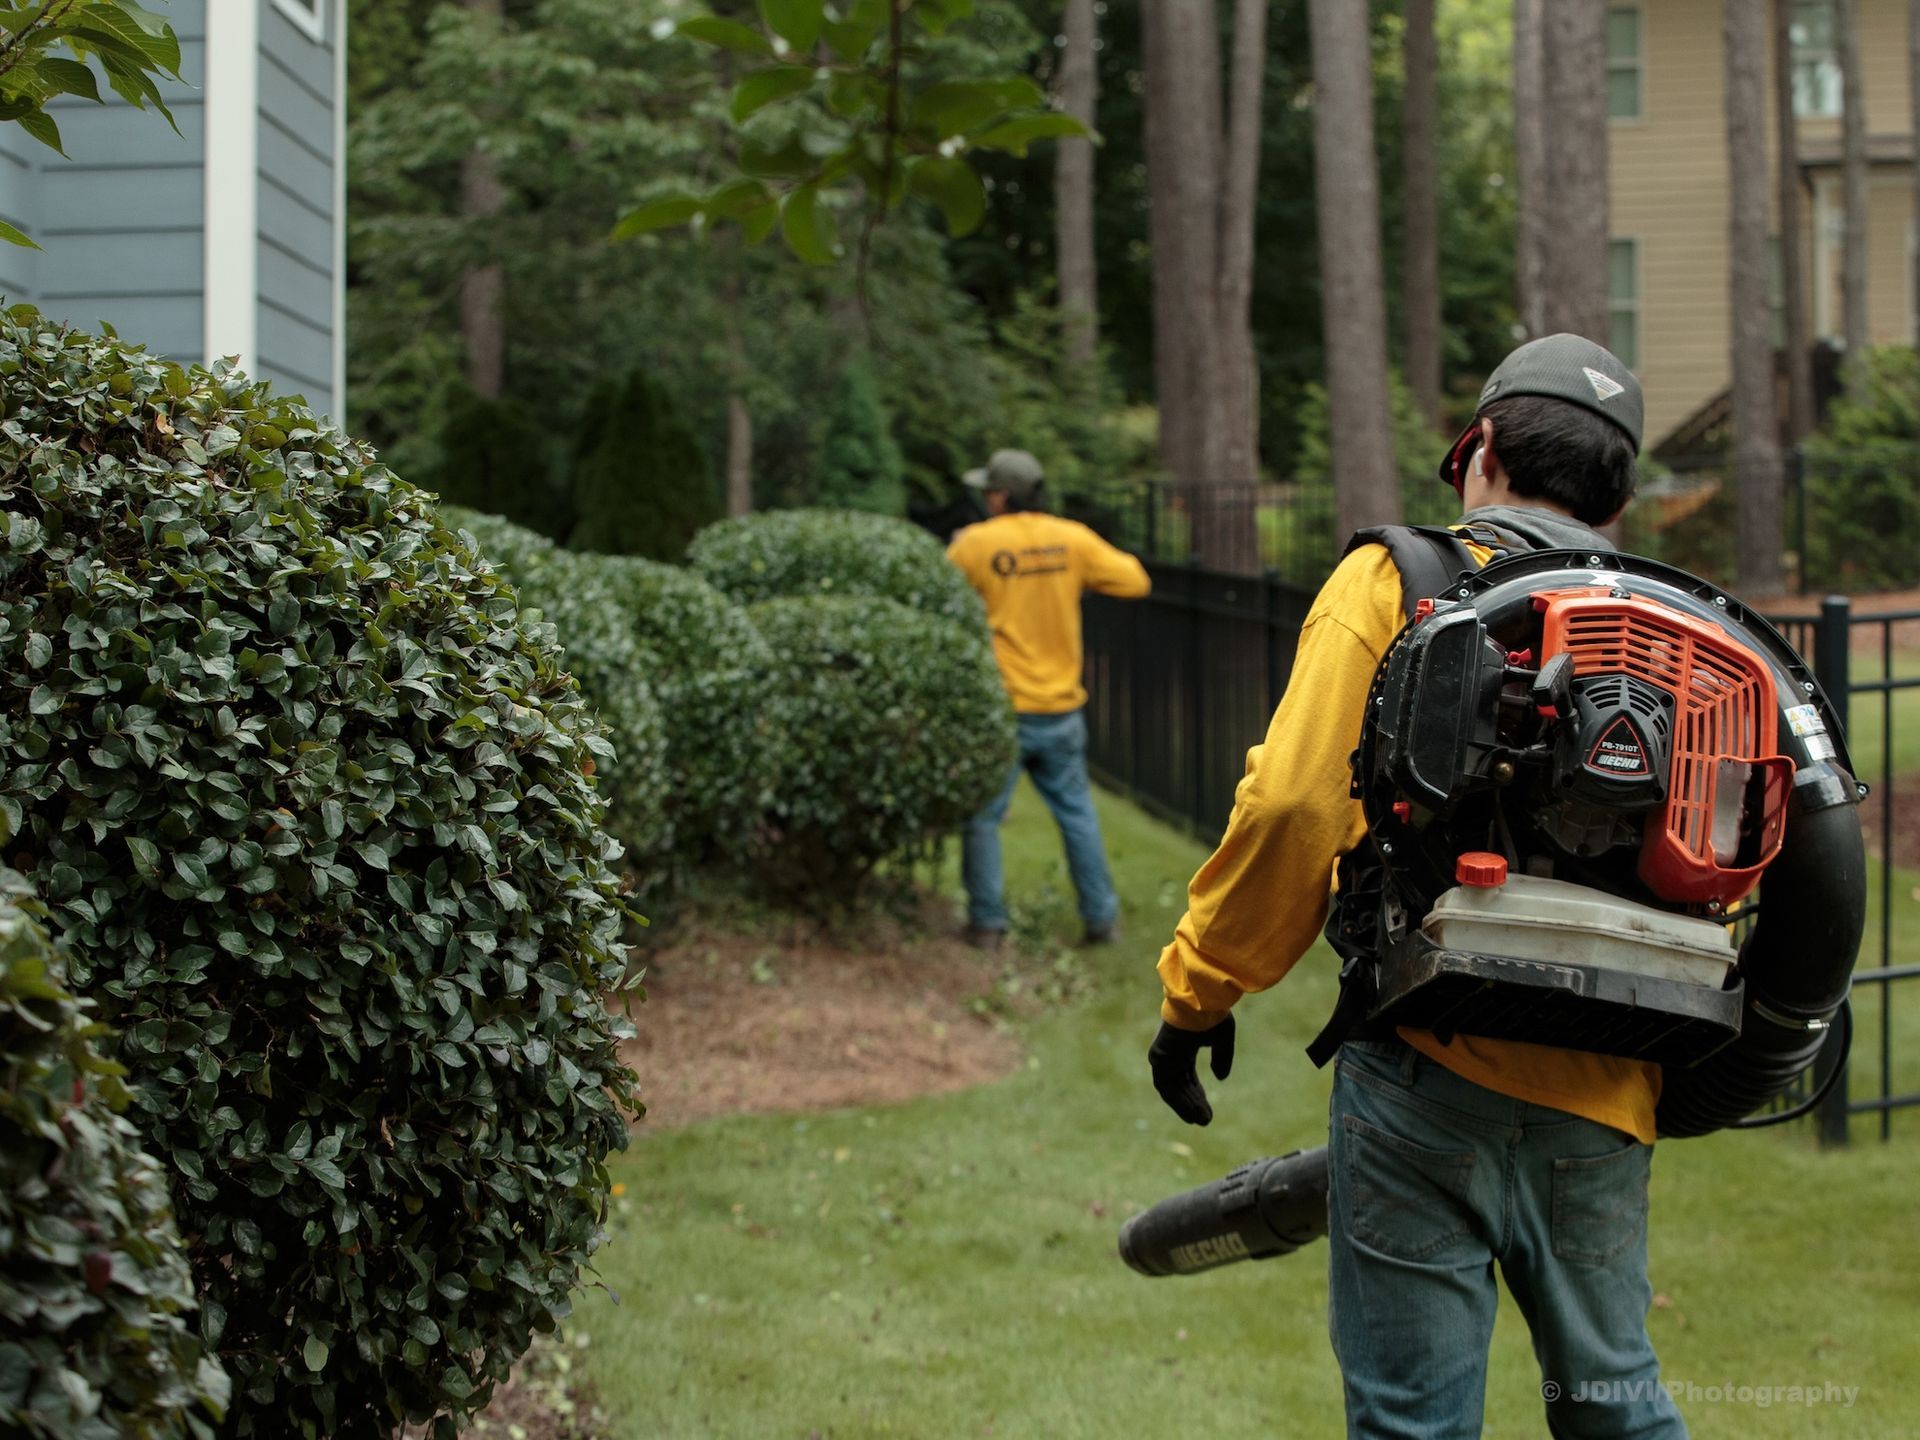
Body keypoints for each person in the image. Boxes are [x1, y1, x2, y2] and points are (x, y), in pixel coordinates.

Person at [1147, 335, 1690, 1438]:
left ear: (1478, 450)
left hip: (1422, 1064)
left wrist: (1198, 993)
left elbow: (1294, 808)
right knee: (1616, 1411)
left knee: (1415, 1425)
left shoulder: (1398, 582)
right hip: (1610, 1075)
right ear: (1619, 499)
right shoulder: (1681, 627)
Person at [946, 448, 1150, 950]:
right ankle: (1101, 919)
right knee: (1077, 814)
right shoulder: (1071, 539)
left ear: (1000, 495)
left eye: (988, 491)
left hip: (1004, 708)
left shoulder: (977, 544)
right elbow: (1135, 580)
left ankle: (986, 925)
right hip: (1061, 709)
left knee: (983, 817)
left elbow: (939, 593)